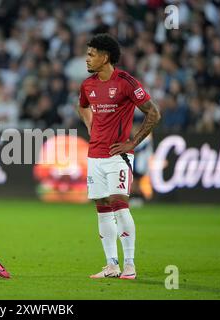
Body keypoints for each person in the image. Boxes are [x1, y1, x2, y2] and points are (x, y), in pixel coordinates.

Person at [76, 34, 161, 280]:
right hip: (95, 155)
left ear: (106, 57)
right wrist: (90, 125)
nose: (87, 58)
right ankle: (112, 265)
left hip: (117, 156)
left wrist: (133, 142)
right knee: (102, 208)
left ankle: (130, 265)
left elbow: (153, 113)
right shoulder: (87, 85)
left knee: (119, 205)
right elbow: (82, 106)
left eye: (92, 54)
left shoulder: (125, 81)